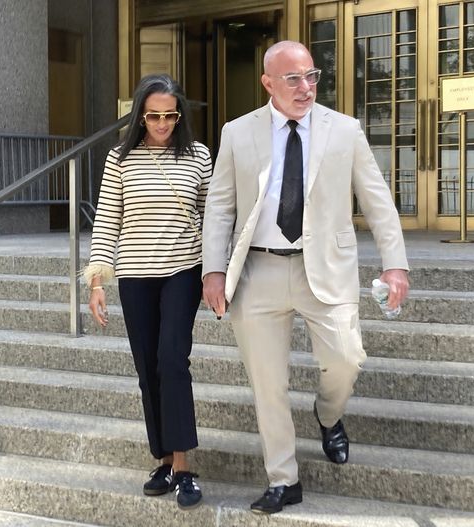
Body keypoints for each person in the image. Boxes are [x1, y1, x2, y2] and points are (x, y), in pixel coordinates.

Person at [201, 41, 409, 515]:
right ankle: (283, 479)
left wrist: (395, 264)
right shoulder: (237, 133)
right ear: (268, 83)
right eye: (293, 78)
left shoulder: (345, 130)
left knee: (347, 358)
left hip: (327, 269)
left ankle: (328, 414)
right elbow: (220, 207)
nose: (305, 87)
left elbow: (377, 200)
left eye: (312, 76)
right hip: (258, 269)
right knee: (267, 384)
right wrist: (214, 271)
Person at [83, 73, 212, 510]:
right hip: (135, 275)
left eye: (169, 115)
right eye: (153, 115)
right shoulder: (120, 159)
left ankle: (183, 465)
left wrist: (216, 272)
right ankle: (160, 457)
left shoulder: (198, 155)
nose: (161, 123)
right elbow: (106, 221)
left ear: (180, 115)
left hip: (182, 270)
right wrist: (97, 281)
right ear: (139, 114)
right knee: (146, 369)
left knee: (172, 360)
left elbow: (214, 214)